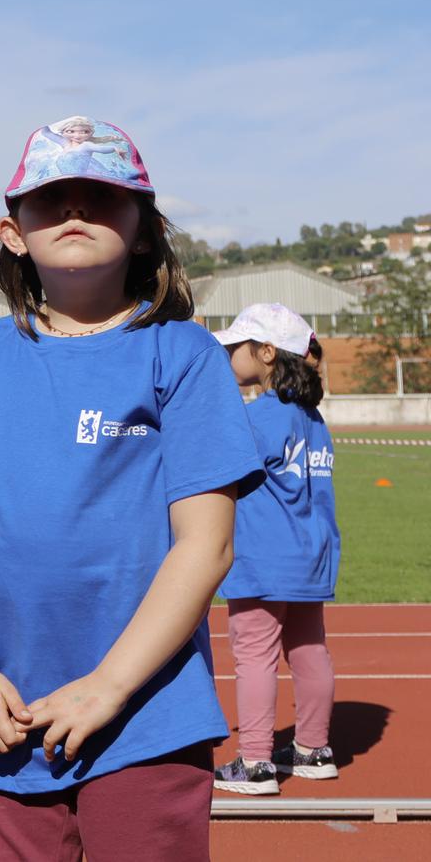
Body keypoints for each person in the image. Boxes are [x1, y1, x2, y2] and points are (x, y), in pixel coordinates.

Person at [0, 118, 261, 862]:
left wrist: (108, 684)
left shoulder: (184, 352)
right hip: (5, 717)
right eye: (52, 198)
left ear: (143, 229)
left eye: (101, 196)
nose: (75, 211)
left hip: (145, 715)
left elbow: (209, 543)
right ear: (13, 231)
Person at [210, 304, 341, 794]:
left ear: (266, 353)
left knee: (255, 655)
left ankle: (257, 762)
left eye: (235, 347)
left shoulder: (259, 416)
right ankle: (313, 749)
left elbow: (224, 472)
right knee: (309, 650)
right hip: (312, 554)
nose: (227, 354)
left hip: (264, 556)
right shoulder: (313, 417)